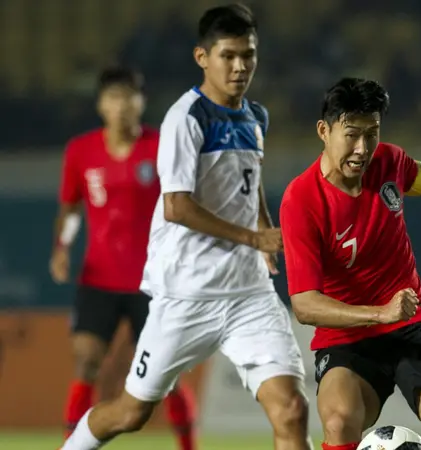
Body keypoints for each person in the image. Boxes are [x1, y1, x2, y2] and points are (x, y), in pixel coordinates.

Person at [60, 5, 311, 450]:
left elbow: (249, 182)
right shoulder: (186, 119)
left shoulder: (255, 117)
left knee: (291, 409)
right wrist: (254, 238)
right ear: (202, 57)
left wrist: (265, 230)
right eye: (228, 56)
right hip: (186, 295)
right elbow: (177, 207)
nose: (240, 67)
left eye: (248, 55)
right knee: (131, 413)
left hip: (248, 295)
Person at [280, 63, 421, 450]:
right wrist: (379, 313)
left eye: (372, 134)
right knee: (338, 420)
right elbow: (304, 305)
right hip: (347, 336)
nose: (363, 149)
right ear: (324, 131)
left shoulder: (390, 162)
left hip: (413, 325)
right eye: (352, 135)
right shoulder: (301, 200)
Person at [51, 66, 197, 449]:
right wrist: (62, 248)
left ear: (141, 102)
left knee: (168, 375)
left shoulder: (161, 146)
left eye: (128, 97)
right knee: (86, 362)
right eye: (113, 98)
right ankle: (70, 444)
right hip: (98, 279)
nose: (120, 106)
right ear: (101, 105)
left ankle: (189, 445)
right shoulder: (80, 151)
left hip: (153, 282)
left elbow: (185, 203)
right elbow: (71, 210)